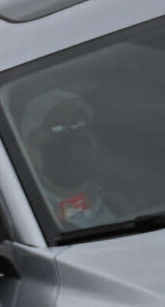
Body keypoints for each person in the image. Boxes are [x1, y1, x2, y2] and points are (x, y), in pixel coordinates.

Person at [19, 88, 117, 231]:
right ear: (30, 149)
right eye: (57, 127)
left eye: (79, 124)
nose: (71, 136)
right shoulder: (26, 216)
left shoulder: (126, 197)